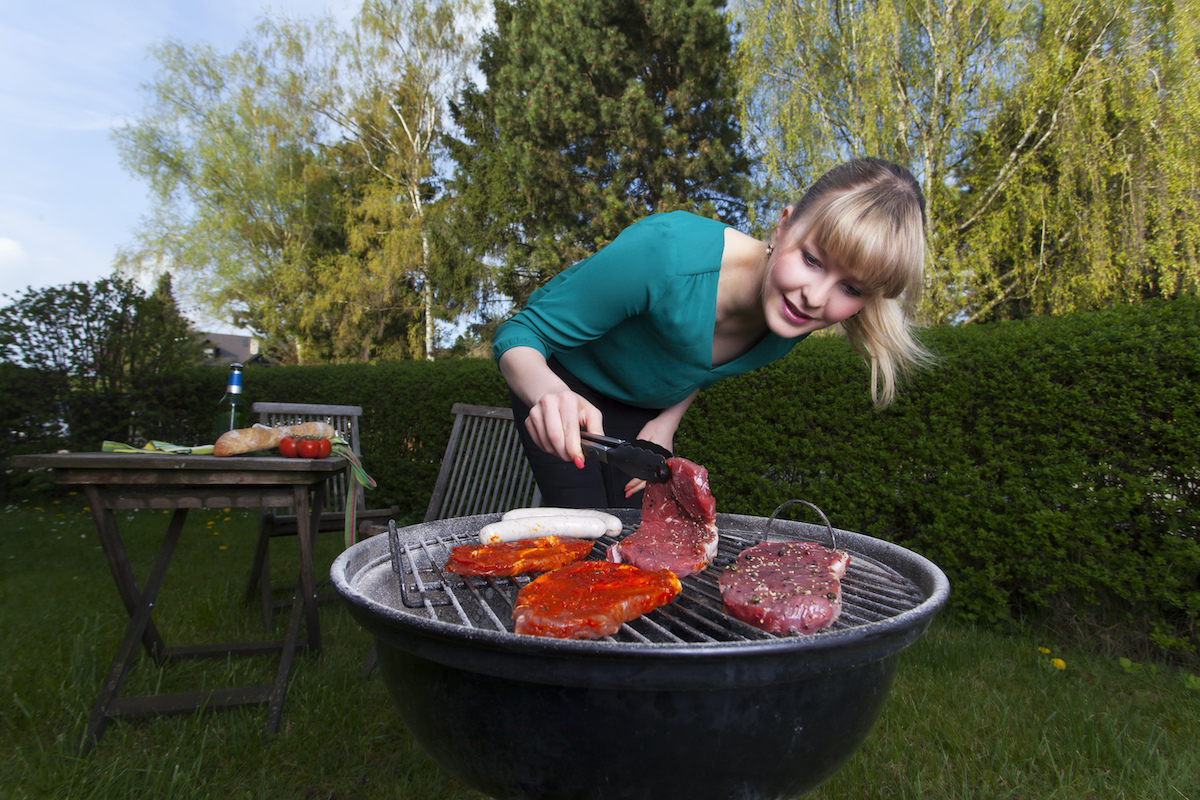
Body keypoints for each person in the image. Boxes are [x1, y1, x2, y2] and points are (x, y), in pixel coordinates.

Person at [493, 157, 933, 509]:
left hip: (643, 410)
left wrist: (665, 423)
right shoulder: (665, 253)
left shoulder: (794, 317)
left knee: (632, 538)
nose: (815, 297)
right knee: (581, 536)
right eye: (813, 260)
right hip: (559, 383)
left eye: (850, 287)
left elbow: (698, 365)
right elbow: (520, 333)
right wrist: (551, 394)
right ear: (783, 226)